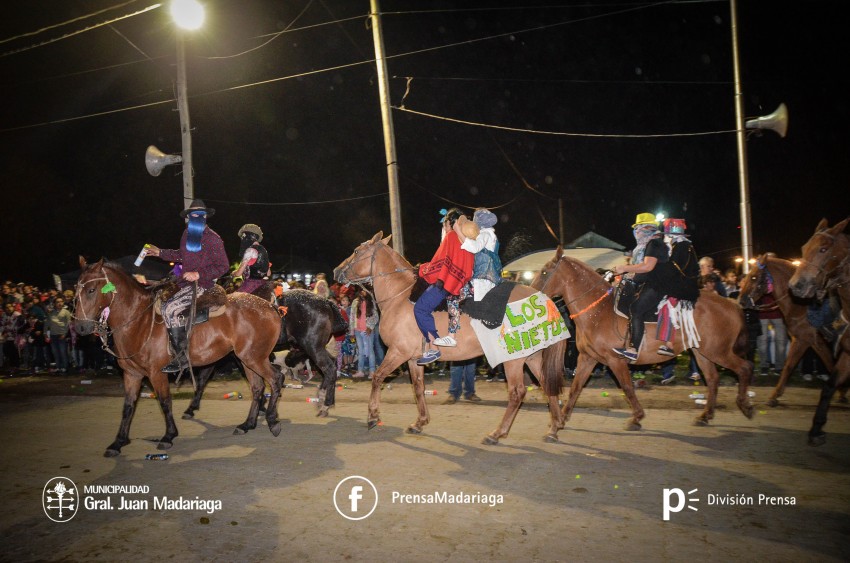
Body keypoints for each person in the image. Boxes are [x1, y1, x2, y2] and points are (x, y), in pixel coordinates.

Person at [146, 200, 229, 373]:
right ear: (189, 218)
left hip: (204, 284)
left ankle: (181, 357)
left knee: (170, 309)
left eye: (200, 214)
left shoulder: (213, 239)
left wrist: (199, 274)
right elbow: (180, 255)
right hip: (184, 283)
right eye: (193, 215)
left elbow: (223, 266)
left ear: (205, 217)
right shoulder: (186, 234)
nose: (196, 217)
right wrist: (159, 252)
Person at [414, 208, 474, 364]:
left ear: (449, 223)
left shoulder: (451, 237)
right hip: (464, 284)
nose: (444, 227)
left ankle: (434, 349)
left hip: (449, 284)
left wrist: (421, 270)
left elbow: (438, 264)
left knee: (420, 308)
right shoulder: (467, 238)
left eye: (445, 224)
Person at [611, 212, 667, 362]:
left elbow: (648, 267)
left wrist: (625, 268)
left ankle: (634, 348)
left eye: (639, 228)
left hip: (659, 286)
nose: (637, 232)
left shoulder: (654, 244)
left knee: (636, 309)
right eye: (636, 229)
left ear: (647, 228)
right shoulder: (648, 245)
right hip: (650, 283)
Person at [233, 223, 270, 295]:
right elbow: (268, 273)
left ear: (248, 236)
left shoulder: (249, 250)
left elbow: (239, 273)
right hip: (262, 285)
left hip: (250, 286)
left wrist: (234, 273)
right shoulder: (263, 250)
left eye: (243, 237)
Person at [349, 289, 378, 379]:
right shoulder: (355, 302)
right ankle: (360, 371)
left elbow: (375, 316)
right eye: (361, 290)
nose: (363, 292)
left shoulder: (371, 301)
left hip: (367, 330)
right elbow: (352, 316)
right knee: (360, 352)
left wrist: (371, 327)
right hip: (357, 330)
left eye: (365, 290)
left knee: (370, 351)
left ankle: (372, 371)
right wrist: (352, 331)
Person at [44, 296, 72, 373]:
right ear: (54, 304)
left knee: (63, 352)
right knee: (55, 352)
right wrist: (45, 333)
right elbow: (47, 324)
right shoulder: (51, 313)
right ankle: (58, 367)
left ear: (63, 303)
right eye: (57, 302)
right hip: (53, 335)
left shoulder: (66, 312)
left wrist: (65, 333)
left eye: (61, 302)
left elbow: (68, 324)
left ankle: (65, 367)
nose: (59, 303)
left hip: (61, 334)